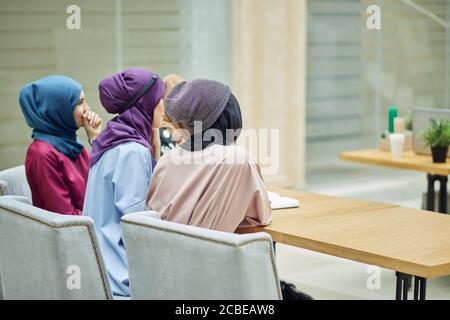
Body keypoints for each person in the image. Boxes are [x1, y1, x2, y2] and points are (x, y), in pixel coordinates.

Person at [146, 79, 313, 300]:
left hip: (164, 279)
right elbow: (260, 216)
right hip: (211, 280)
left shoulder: (167, 159)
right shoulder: (236, 159)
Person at [83, 68, 165, 297]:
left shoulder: (111, 137)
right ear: (145, 104)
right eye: (159, 100)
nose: (163, 107)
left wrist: (154, 148)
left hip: (95, 264)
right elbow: (139, 225)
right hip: (120, 277)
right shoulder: (132, 151)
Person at [19, 75, 102, 215]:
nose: (87, 108)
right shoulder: (41, 153)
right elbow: (65, 217)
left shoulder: (73, 144)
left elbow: (100, 187)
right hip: (75, 232)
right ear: (58, 107)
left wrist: (95, 139)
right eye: (80, 102)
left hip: (91, 224)